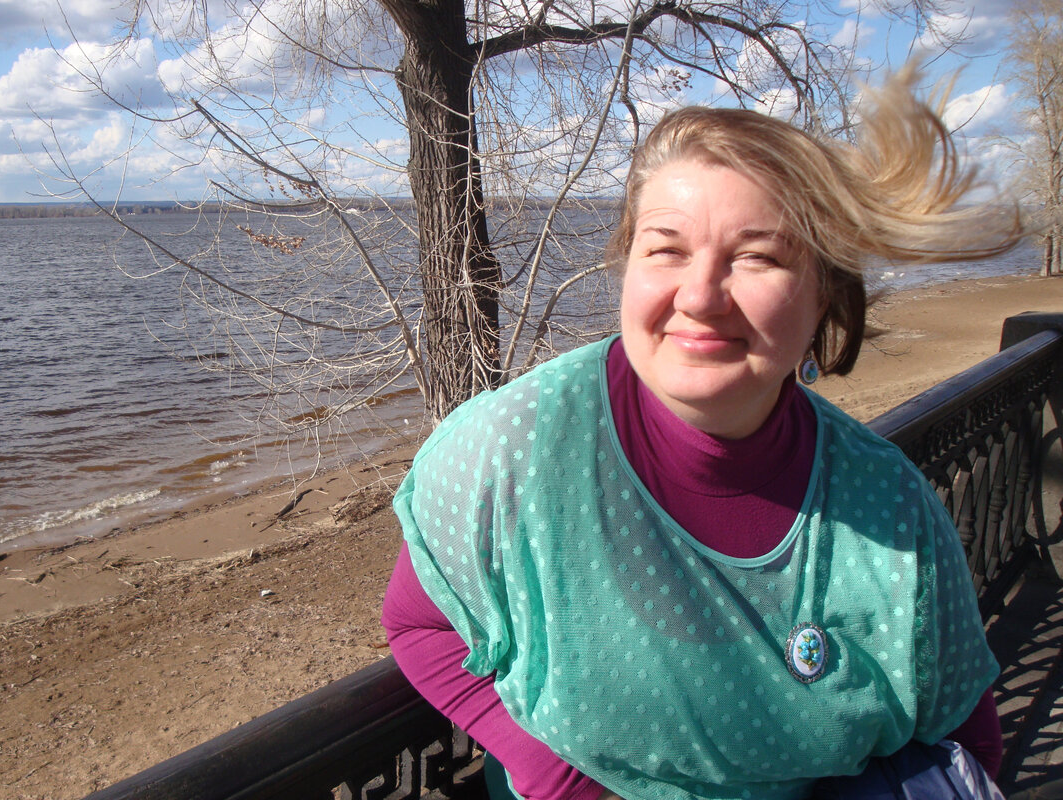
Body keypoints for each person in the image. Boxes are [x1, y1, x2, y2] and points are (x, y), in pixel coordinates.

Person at [382, 65, 1023, 800]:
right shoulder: (517, 446)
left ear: (824, 295)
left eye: (758, 256)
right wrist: (560, 779)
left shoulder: (893, 508)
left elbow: (966, 739)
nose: (700, 296)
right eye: (667, 248)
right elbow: (421, 627)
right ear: (627, 264)